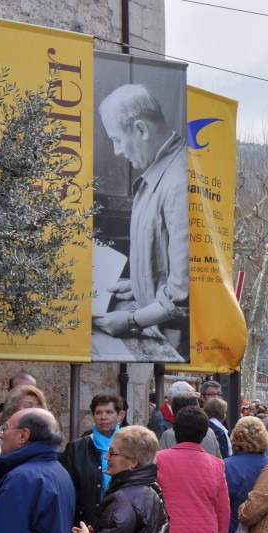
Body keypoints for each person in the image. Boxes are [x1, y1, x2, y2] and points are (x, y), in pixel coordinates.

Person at [93, 83, 189, 360]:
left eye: (117, 139)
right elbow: (167, 262)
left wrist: (131, 320)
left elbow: (182, 296)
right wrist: (139, 283)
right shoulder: (162, 173)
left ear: (141, 129)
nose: (116, 151)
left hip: (171, 343)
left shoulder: (178, 183)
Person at [60, 393, 126, 531]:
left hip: (122, 522)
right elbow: (65, 490)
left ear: (120, 416)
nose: (103, 417)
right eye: (98, 413)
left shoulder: (130, 446)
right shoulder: (76, 448)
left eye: (109, 412)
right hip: (84, 524)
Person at [0, 385, 49, 458]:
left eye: (39, 407)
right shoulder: (2, 434)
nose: (35, 410)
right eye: (28, 406)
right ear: (12, 410)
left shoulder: (46, 438)